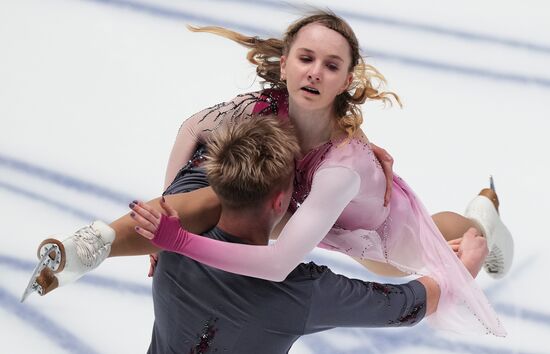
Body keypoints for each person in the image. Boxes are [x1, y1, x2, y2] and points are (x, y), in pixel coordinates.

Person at [24, 11, 512, 337]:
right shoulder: (259, 109)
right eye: (306, 58)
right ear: (284, 65)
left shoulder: (342, 168)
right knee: (215, 188)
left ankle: (483, 217)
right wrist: (160, 232)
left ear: (346, 80)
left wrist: (177, 241)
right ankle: (92, 244)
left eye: (331, 65)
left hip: (372, 237)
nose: (315, 72)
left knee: (452, 239)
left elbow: (278, 265)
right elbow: (190, 131)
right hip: (296, 215)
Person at [135, 115, 445, 353]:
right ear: (280, 201)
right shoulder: (301, 292)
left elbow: (194, 128)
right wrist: (461, 264)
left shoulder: (171, 243)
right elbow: (406, 305)